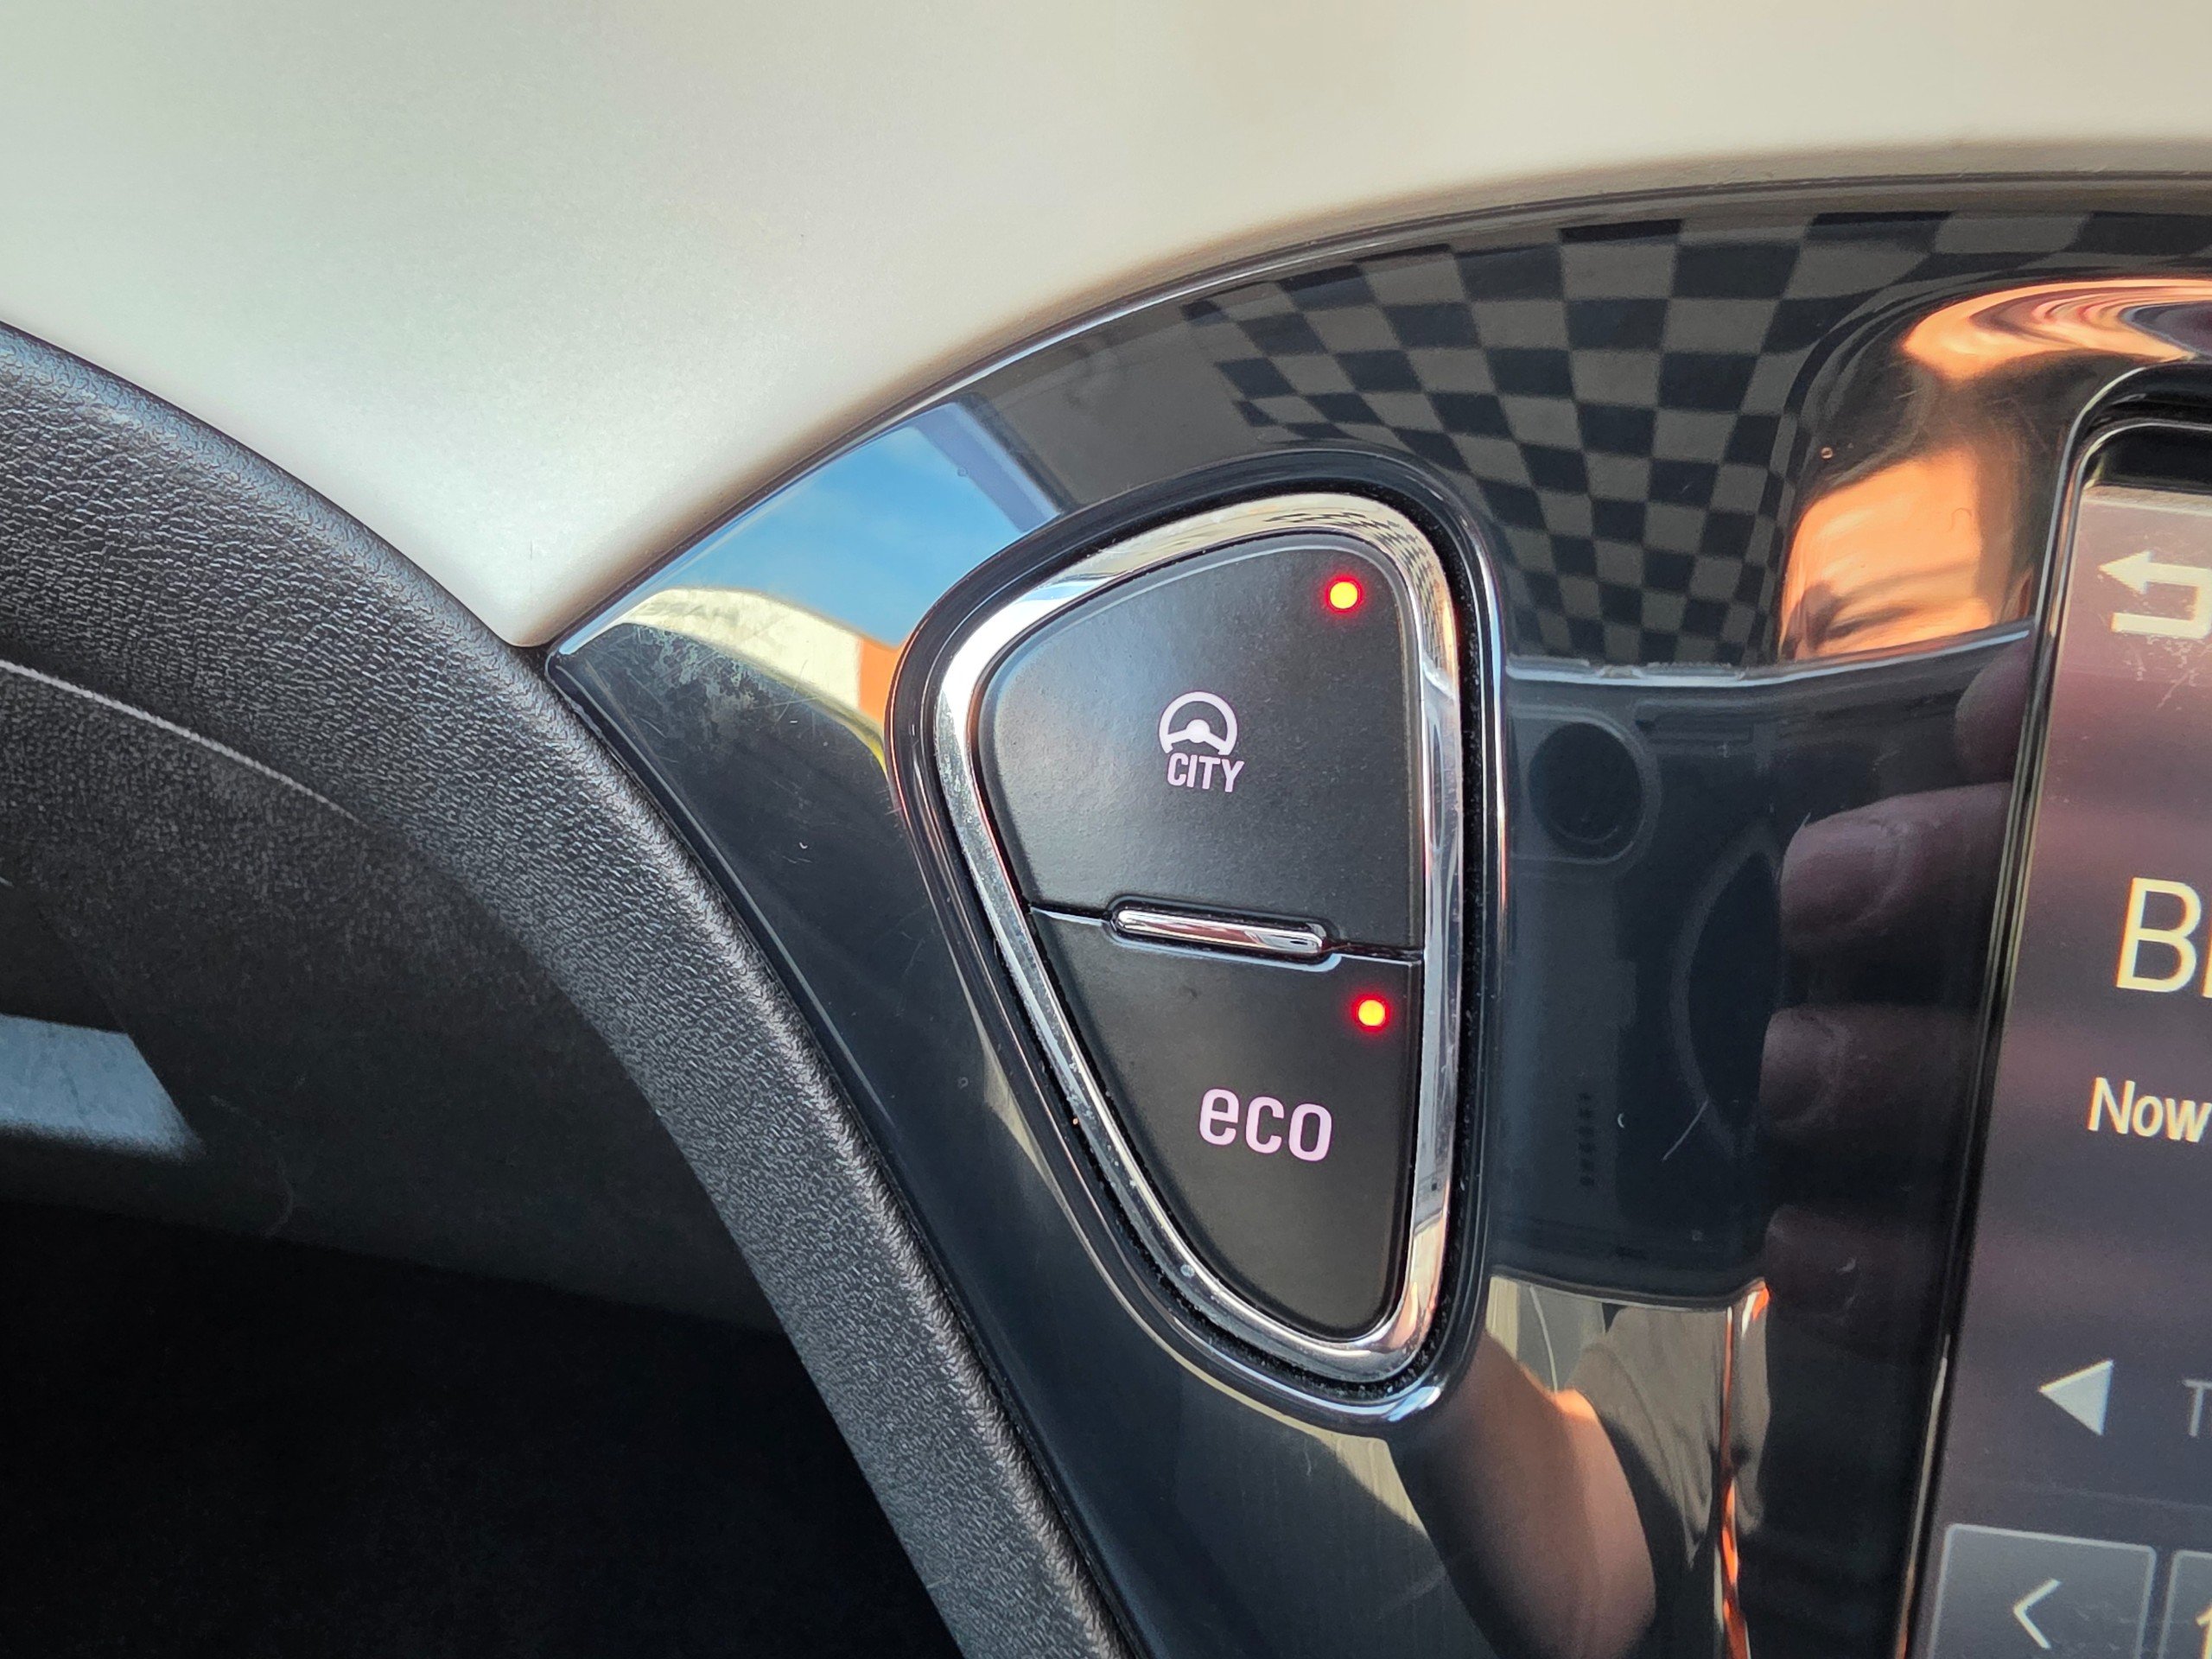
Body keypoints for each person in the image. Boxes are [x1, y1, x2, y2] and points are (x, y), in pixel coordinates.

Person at [1399, 642, 2031, 1659]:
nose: (1807, 708)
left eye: (1897, 664)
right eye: (1807, 651)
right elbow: (1584, 1572)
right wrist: (1387, 1271)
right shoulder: (1751, 1245)